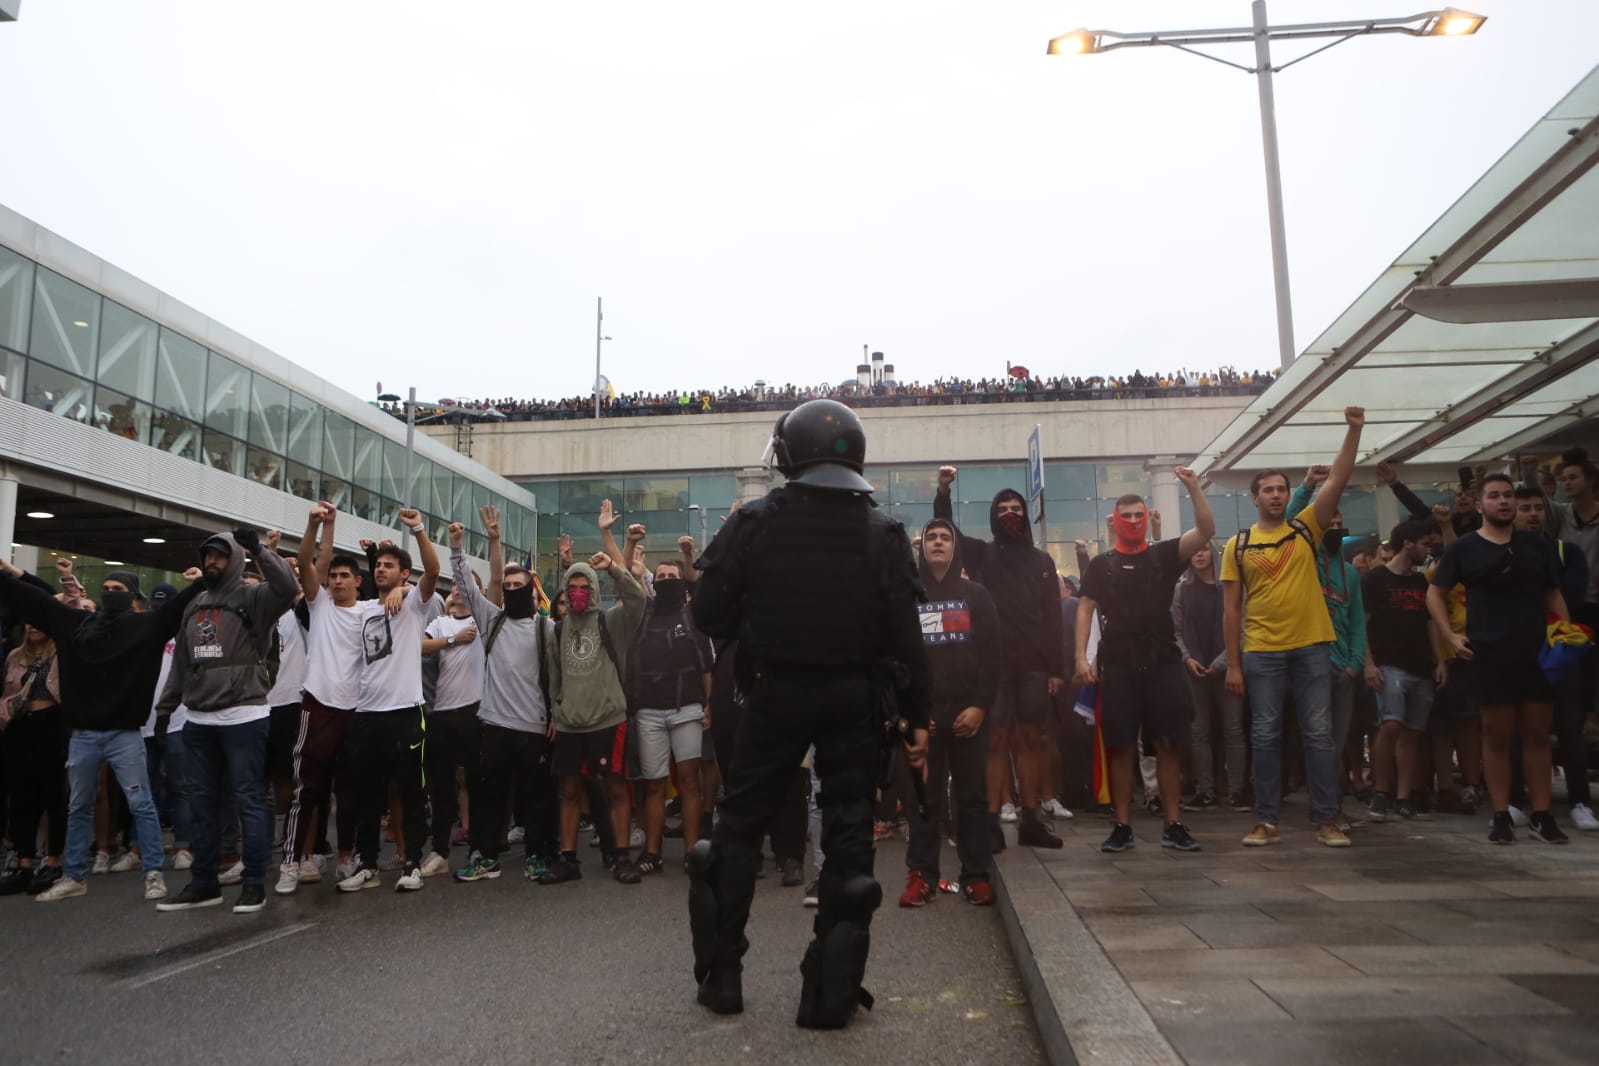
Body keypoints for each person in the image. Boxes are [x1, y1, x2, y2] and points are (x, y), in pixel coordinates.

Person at [688, 398, 930, 1028]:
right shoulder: (884, 532)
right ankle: (830, 994)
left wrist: (755, 612)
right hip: (855, 701)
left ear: (788, 454)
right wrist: (918, 718)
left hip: (775, 691)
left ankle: (724, 977)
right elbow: (909, 641)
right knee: (849, 839)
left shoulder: (755, 521)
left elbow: (708, 614)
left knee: (737, 828)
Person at [0, 557, 203, 902]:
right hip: (84, 735)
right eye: (105, 589)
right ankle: (74, 875)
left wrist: (199, 582)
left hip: (125, 735)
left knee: (142, 804)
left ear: (132, 594)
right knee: (78, 805)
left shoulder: (147, 626)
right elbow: (33, 599)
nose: (110, 594)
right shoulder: (76, 624)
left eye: (118, 590)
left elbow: (180, 606)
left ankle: (153, 873)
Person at [1221, 406, 1365, 848]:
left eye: (1282, 489)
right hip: (1261, 650)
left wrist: (1353, 431)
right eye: (1268, 490)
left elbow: (1339, 478)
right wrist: (1233, 665)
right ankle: (1266, 819)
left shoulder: (1306, 529)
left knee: (1318, 734)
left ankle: (1326, 818)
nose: (1277, 495)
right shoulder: (1238, 544)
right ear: (1254, 498)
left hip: (1312, 647)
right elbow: (1231, 610)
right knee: (1264, 734)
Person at [155, 528, 298, 913]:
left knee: (248, 800)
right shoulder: (195, 603)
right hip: (198, 719)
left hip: (244, 715)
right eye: (208, 556)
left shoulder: (254, 598)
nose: (212, 562)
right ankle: (204, 883)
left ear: (234, 559)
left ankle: (253, 883)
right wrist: (164, 710)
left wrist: (258, 550)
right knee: (201, 803)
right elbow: (183, 664)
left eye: (220, 556)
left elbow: (287, 587)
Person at [1076, 466, 1214, 853]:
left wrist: (1193, 488)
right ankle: (1123, 825)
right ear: (1117, 521)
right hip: (1119, 664)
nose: (1135, 521)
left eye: (1140, 514)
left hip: (1162, 662)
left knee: (1169, 743)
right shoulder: (1103, 565)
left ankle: (1173, 822)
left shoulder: (1164, 554)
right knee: (1119, 746)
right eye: (1128, 516)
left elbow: (1206, 531)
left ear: (1146, 515)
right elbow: (1085, 609)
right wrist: (1079, 658)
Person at [1429, 474, 1569, 844]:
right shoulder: (1464, 549)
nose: (1503, 502)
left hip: (1536, 651)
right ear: (1480, 506)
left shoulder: (1537, 546)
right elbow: (1434, 593)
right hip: (1489, 652)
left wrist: (1564, 635)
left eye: (1508, 496)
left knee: (1538, 734)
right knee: (1496, 735)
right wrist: (1449, 635)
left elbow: (1553, 594)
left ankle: (1541, 815)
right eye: (1495, 496)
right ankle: (1501, 813)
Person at [933, 465, 1066, 851]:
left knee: (1031, 738)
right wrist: (944, 491)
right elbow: (948, 529)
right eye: (1003, 508)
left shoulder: (1043, 561)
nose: (1011, 513)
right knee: (994, 740)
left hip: (1034, 664)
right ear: (994, 516)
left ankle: (1030, 819)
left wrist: (1057, 669)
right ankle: (989, 822)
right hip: (992, 664)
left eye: (1016, 507)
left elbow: (1052, 616)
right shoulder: (982, 554)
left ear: (1025, 513)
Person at [448, 506, 559, 884]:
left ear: (531, 589)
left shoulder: (546, 628)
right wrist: (459, 546)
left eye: (518, 586)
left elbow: (557, 680)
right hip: (493, 725)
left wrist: (555, 717)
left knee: (536, 801)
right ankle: (485, 858)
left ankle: (540, 856)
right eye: (507, 586)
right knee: (487, 799)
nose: (510, 590)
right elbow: (466, 583)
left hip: (533, 727)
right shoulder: (491, 621)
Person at [898, 518, 1001, 908]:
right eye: (931, 538)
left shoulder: (977, 595)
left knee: (972, 798)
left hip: (970, 716)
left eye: (945, 538)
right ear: (921, 547)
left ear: (955, 547)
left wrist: (979, 707)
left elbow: (993, 658)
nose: (938, 543)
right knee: (923, 799)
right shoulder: (909, 597)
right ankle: (921, 876)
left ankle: (975, 876)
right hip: (925, 720)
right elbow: (901, 661)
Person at [338, 509, 440, 893]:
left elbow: (432, 569)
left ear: (403, 574)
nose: (381, 570)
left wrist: (416, 529)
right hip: (366, 714)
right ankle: (367, 864)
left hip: (405, 712)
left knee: (412, 793)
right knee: (366, 795)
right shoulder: (362, 609)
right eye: (378, 565)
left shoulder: (414, 604)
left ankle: (412, 862)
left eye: (389, 566)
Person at [539, 544, 647, 885]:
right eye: (572, 588)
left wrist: (614, 568)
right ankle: (569, 860)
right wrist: (557, 713)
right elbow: (555, 677)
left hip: (607, 719)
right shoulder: (556, 629)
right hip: (571, 723)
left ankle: (622, 857)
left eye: (585, 587)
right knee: (569, 792)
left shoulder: (610, 620)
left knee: (616, 789)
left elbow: (638, 600)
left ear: (595, 590)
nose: (578, 593)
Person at [625, 557, 714, 875]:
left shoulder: (692, 618)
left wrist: (709, 704)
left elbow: (706, 666)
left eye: (671, 575)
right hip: (649, 711)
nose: (665, 580)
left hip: (687, 709)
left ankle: (692, 852)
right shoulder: (644, 614)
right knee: (654, 785)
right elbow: (625, 576)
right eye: (660, 575)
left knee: (690, 782)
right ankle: (653, 852)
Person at [1362, 520, 1447, 823]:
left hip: (1420, 664)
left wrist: (1439, 661)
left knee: (1412, 732)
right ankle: (1382, 790)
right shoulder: (1375, 579)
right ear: (1408, 543)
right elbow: (1364, 623)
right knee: (1390, 725)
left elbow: (1430, 624)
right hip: (1389, 663)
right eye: (1424, 544)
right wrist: (1368, 663)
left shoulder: (1421, 583)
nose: (1427, 550)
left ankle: (1403, 794)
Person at [1172, 546, 1246, 810]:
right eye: (1194, 551)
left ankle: (1237, 791)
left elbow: (1241, 628)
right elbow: (1176, 631)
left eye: (1204, 549)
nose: (1199, 555)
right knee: (1198, 731)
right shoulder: (1183, 589)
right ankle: (1206, 792)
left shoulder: (1229, 585)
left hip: (1229, 667)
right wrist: (1187, 659)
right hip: (1193, 669)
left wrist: (1221, 663)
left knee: (1233, 729)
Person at [0, 623, 67, 896]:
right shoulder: (15, 655)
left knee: (53, 797)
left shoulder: (61, 652)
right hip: (18, 728)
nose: (33, 627)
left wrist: (66, 578)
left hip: (51, 724)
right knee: (21, 797)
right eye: (29, 623)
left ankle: (53, 863)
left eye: (39, 621)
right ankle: (24, 863)